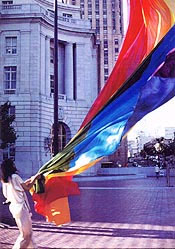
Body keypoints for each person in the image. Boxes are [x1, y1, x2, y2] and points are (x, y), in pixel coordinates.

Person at [0, 159, 40, 249]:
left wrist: (31, 179)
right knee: (26, 235)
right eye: (13, 164)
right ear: (10, 166)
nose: (15, 165)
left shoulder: (5, 179)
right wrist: (35, 179)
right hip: (21, 208)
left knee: (27, 233)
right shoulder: (15, 176)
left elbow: (20, 186)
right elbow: (27, 188)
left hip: (14, 207)